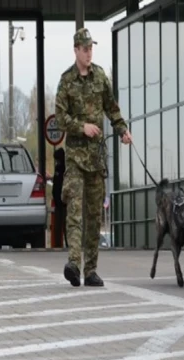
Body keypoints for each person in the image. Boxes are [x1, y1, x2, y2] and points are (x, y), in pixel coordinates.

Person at [55, 27, 133, 287]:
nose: (89, 53)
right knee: (75, 211)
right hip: (76, 158)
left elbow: (112, 108)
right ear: (76, 50)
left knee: (94, 216)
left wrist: (122, 129)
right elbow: (60, 118)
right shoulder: (66, 81)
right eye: (85, 48)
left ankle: (90, 271)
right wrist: (82, 127)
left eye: (91, 48)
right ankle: (74, 264)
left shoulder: (100, 76)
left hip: (97, 159)